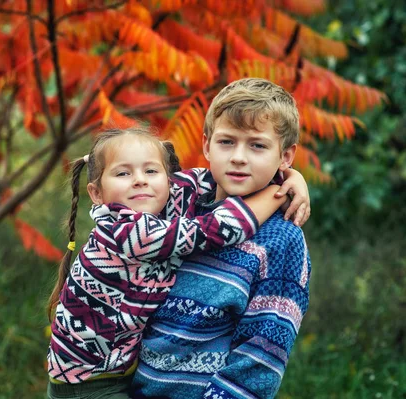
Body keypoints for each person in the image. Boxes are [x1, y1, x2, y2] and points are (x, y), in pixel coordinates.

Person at [45, 124, 310, 399]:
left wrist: (292, 175)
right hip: (88, 385)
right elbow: (217, 228)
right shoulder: (125, 233)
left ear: (168, 179)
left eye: (151, 171)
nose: (140, 180)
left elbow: (211, 178)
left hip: (117, 374)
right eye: (123, 173)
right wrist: (277, 191)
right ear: (97, 194)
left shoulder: (163, 203)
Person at [132, 78, 312, 399]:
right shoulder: (178, 204)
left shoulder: (282, 239)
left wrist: (290, 177)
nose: (239, 157)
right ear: (206, 146)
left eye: (257, 145)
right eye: (227, 142)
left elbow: (260, 358)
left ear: (286, 156)